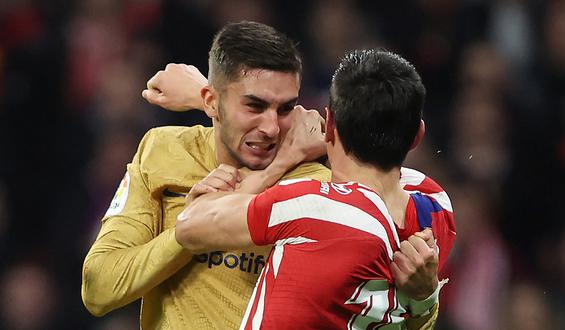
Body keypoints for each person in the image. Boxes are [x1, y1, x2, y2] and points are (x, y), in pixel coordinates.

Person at [82, 21, 448, 329]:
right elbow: (100, 287)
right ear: (211, 101)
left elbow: (378, 314)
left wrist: (424, 299)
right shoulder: (163, 150)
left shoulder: (321, 187)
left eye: (286, 108)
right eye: (255, 105)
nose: (272, 128)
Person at [175, 48, 455, 329]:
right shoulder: (437, 211)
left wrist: (285, 157)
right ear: (418, 135)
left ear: (330, 123)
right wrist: (425, 298)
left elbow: (189, 226)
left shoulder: (314, 208)